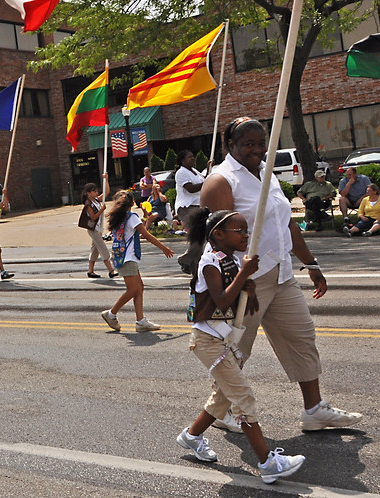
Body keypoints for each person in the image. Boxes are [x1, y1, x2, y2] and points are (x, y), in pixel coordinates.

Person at [200, 116, 362, 431]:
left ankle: (314, 409)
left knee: (301, 337)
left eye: (261, 143)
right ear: (230, 145)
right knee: (235, 348)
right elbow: (216, 240)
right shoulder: (221, 181)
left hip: (281, 273)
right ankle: (222, 411)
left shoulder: (267, 174)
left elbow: (286, 224)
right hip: (246, 281)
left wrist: (311, 263)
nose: (257, 150)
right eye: (249, 144)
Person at [176, 208, 306, 484]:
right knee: (242, 396)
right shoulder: (209, 261)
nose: (246, 235)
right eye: (241, 231)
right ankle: (268, 463)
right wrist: (243, 274)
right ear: (219, 235)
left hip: (222, 338)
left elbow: (237, 300)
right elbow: (221, 300)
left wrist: (249, 288)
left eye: (247, 230)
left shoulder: (230, 259)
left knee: (223, 396)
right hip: (208, 340)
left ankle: (191, 436)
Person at [100, 190, 173, 332]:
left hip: (123, 257)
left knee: (139, 287)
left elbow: (136, 230)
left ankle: (140, 321)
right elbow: (145, 234)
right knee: (133, 289)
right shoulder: (131, 217)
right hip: (128, 258)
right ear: (133, 203)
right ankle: (111, 313)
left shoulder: (120, 217)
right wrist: (164, 248)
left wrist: (145, 217)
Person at [79, 177, 118, 279]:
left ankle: (90, 271)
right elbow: (93, 217)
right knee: (103, 248)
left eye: (97, 191)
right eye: (94, 191)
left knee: (95, 250)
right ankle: (111, 270)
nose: (96, 193)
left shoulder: (96, 200)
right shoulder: (88, 204)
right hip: (93, 229)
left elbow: (106, 193)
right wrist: (101, 210)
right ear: (88, 193)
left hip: (98, 228)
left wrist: (106, 179)